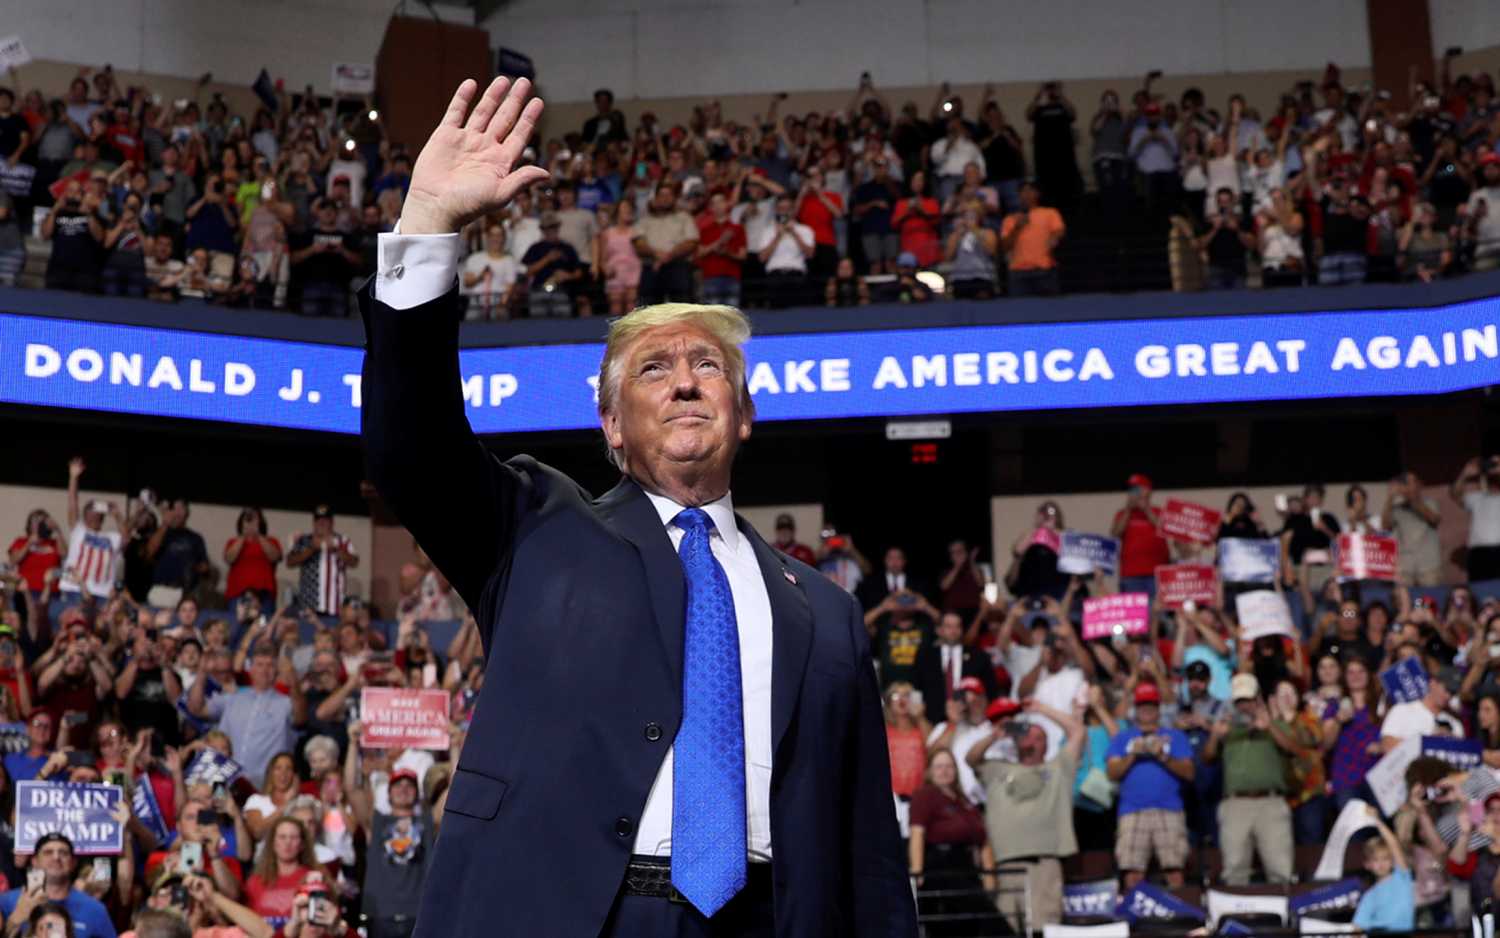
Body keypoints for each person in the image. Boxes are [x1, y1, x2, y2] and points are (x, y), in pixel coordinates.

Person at [360, 77, 915, 936]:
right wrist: (427, 224)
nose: (687, 378)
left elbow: (871, 862)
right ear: (612, 425)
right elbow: (410, 452)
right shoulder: (536, 529)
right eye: (655, 368)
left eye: (708, 367)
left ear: (744, 415)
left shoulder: (832, 616)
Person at [967, 699, 1084, 934]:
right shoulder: (998, 768)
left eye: (1037, 736)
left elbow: (1078, 732)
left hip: (1044, 864)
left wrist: (1043, 709)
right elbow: (972, 759)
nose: (1029, 739)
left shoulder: (1058, 768)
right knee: (1007, 930)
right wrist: (995, 735)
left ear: (1045, 744)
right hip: (1006, 865)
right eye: (1024, 734)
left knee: (1044, 929)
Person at [1205, 673, 1293, 884]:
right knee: (1234, 869)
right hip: (1235, 804)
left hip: (1271, 803)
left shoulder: (1274, 725)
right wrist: (1216, 736)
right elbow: (1207, 758)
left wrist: (1269, 726)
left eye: (1248, 700)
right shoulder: (1227, 728)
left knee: (1280, 869)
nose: (1244, 706)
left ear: (1258, 699)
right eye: (1240, 701)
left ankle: (1284, 915)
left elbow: (1295, 749)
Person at [1106, 682, 1193, 889]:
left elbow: (1189, 773)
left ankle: (1177, 918)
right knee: (1132, 871)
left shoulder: (1175, 736)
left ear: (1158, 708)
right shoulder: (1123, 738)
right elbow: (1112, 773)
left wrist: (1162, 755)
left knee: (1174, 869)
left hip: (1169, 808)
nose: (1147, 710)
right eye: (1143, 705)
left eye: (1151, 705)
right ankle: (1136, 919)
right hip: (1132, 810)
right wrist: (1133, 754)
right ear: (1136, 708)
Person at [908, 748, 996, 937]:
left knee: (971, 925)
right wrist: (917, 872)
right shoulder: (925, 796)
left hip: (968, 868)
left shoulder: (965, 801)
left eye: (949, 766)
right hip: (940, 868)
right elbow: (917, 833)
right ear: (930, 771)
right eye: (938, 766)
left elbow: (983, 839)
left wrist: (989, 875)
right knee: (989, 923)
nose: (944, 771)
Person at [0, 833, 117, 937]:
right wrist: (15, 920)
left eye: (63, 853)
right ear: (34, 861)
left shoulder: (95, 909)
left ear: (73, 863)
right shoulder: (7, 902)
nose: (56, 857)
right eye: (48, 852)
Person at [285, 506, 358, 617]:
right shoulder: (304, 540)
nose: (321, 523)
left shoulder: (342, 540)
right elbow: (290, 562)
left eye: (325, 520)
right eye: (318, 520)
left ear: (332, 522)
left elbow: (354, 562)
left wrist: (336, 548)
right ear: (314, 522)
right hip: (308, 605)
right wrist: (312, 549)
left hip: (334, 605)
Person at [243, 818, 319, 921]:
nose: (288, 842)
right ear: (273, 843)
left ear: (302, 844)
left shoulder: (313, 879)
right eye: (282, 837)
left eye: (294, 837)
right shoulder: (255, 881)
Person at [1352, 808, 1414, 933]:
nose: (1381, 864)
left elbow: (1393, 844)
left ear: (1392, 861)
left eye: (1385, 859)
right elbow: (1357, 929)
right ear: (1367, 865)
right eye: (1375, 860)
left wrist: (1376, 820)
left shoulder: (1401, 877)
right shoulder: (1369, 896)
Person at [999, 181, 1064, 296]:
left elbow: (1059, 231)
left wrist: (1055, 238)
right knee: (1021, 311)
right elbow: (1004, 246)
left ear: (1037, 194)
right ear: (1019, 195)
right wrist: (1017, 228)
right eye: (1023, 191)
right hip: (1018, 273)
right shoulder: (1010, 219)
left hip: (1045, 270)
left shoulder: (1050, 213)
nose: (1027, 194)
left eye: (1030, 190)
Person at [1453, 456, 1500, 582]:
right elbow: (1455, 494)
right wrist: (1464, 474)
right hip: (1478, 554)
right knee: (1479, 591)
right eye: (1492, 464)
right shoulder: (1476, 498)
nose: (1495, 466)